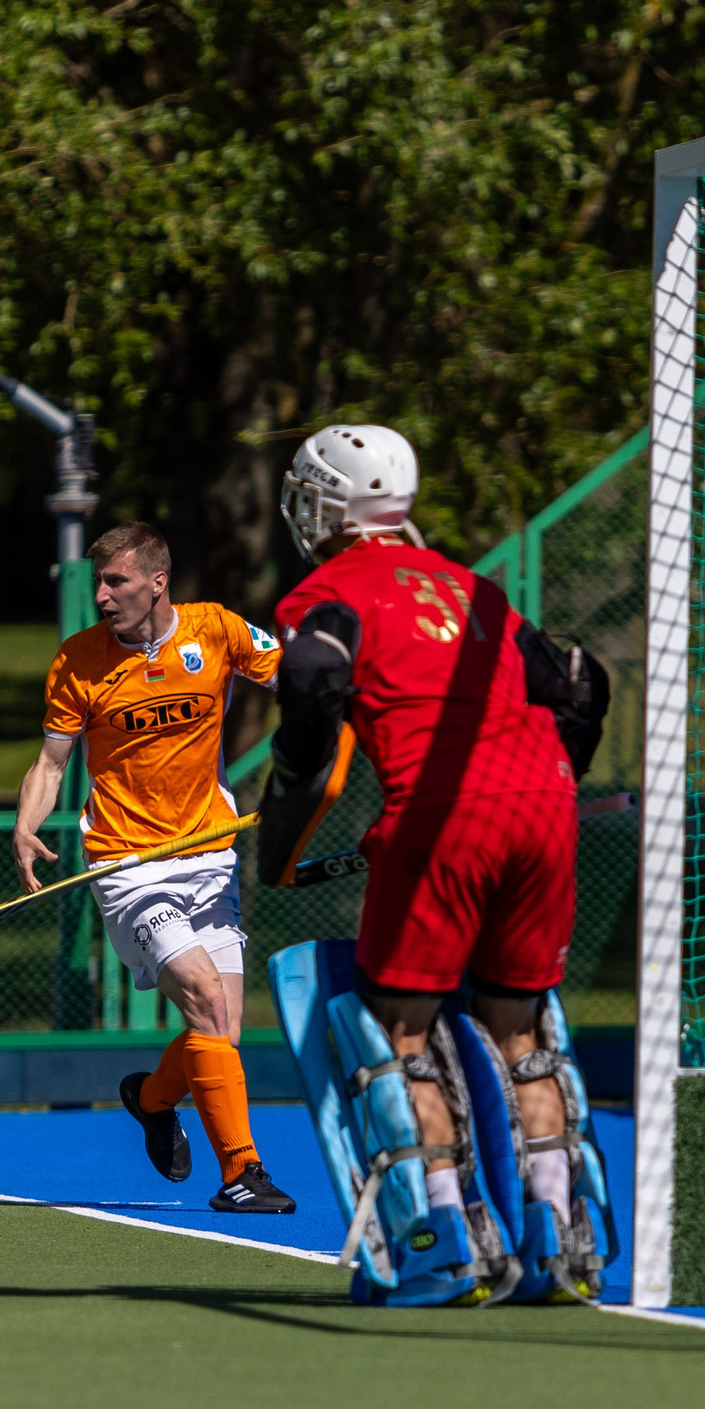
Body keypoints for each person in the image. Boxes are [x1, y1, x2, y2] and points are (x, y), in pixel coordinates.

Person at [258, 425, 603, 1266]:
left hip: (441, 812)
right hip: (546, 801)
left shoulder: (331, 588)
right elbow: (578, 690)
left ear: (331, 506)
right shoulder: (475, 588)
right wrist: (545, 789)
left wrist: (284, 813)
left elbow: (311, 679)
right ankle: (559, 1234)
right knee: (521, 1033)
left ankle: (444, 1233)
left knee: (399, 1031)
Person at [11, 524, 295, 1214]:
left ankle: (151, 1095)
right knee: (202, 996)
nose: (103, 596)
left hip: (208, 855)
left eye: (117, 582)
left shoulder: (218, 631)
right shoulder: (79, 661)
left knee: (220, 1030)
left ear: (158, 580)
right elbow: (51, 763)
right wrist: (26, 821)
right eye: (98, 583)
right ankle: (242, 1174)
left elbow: (300, 679)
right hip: (129, 864)